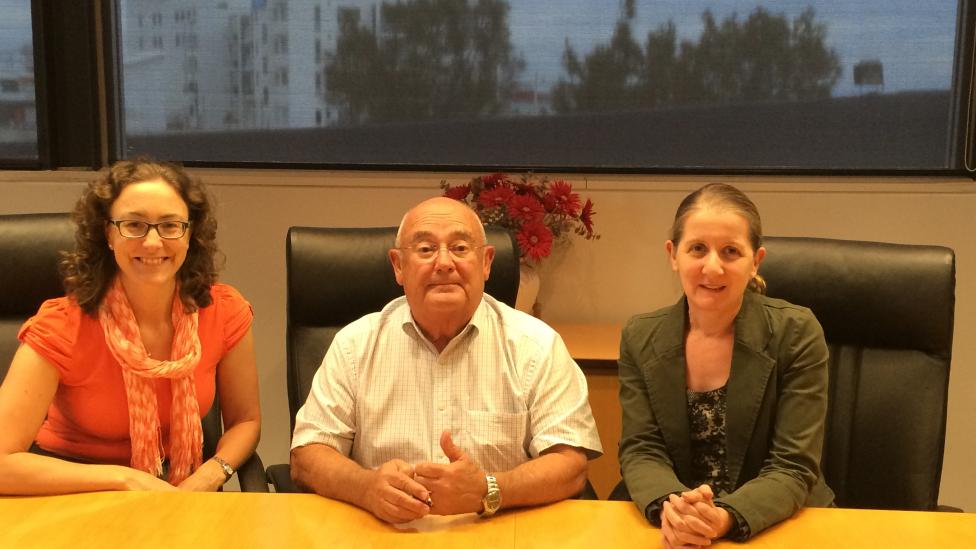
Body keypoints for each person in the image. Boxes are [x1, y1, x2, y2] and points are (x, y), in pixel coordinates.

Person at [290, 196, 602, 524]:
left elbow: (570, 465)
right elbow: (308, 455)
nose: (444, 263)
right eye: (425, 249)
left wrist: (490, 489)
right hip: (385, 533)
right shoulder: (355, 345)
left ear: (486, 263)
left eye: (460, 248)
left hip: (498, 532)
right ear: (398, 265)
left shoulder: (536, 346)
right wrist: (365, 487)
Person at [0, 159, 261, 494]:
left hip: (181, 486)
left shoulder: (223, 311)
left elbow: (246, 421)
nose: (152, 243)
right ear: (108, 233)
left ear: (189, 234)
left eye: (170, 226)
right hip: (70, 487)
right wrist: (125, 479)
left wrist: (210, 475)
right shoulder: (60, 327)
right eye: (134, 225)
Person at [617, 183, 834, 547]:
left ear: (755, 261)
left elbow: (792, 466)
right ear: (673, 255)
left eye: (731, 251)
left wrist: (723, 517)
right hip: (673, 526)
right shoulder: (641, 336)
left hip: (773, 524)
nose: (712, 267)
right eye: (697, 248)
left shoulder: (796, 332)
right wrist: (673, 507)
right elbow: (641, 449)